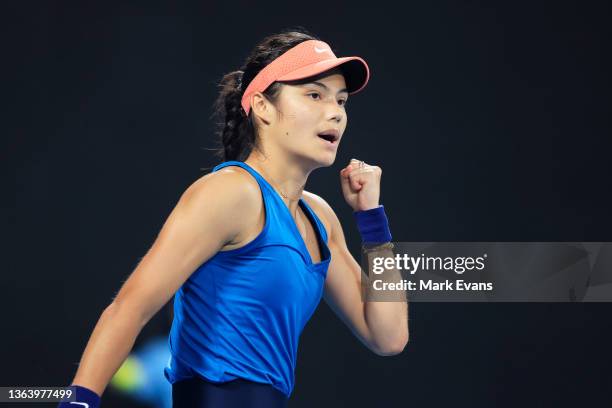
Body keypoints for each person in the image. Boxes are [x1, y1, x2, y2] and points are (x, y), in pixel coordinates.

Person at [59, 28, 408, 408]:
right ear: (261, 105)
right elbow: (131, 307)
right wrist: (78, 403)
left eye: (341, 101)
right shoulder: (229, 192)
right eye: (314, 94)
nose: (335, 112)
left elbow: (387, 336)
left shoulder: (321, 218)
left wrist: (372, 219)